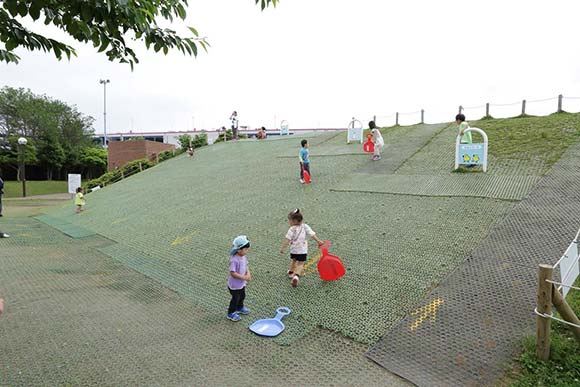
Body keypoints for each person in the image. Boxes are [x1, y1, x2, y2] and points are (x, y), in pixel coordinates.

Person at [280, 208, 324, 288]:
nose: (289, 222)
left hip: (294, 250)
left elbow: (287, 239)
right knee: (300, 264)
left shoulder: (291, 229)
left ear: (294, 221)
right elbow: (312, 234)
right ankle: (296, 276)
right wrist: (319, 241)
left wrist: (283, 248)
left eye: (289, 220)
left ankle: (290, 272)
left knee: (294, 260)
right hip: (302, 250)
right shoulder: (305, 226)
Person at [227, 235, 251, 322]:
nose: (247, 251)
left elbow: (246, 265)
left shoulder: (243, 257)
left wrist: (248, 274)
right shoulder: (234, 260)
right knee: (235, 299)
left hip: (241, 284)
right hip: (234, 285)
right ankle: (231, 312)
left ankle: (240, 307)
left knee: (242, 296)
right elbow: (232, 273)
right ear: (239, 249)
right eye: (245, 249)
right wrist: (244, 277)